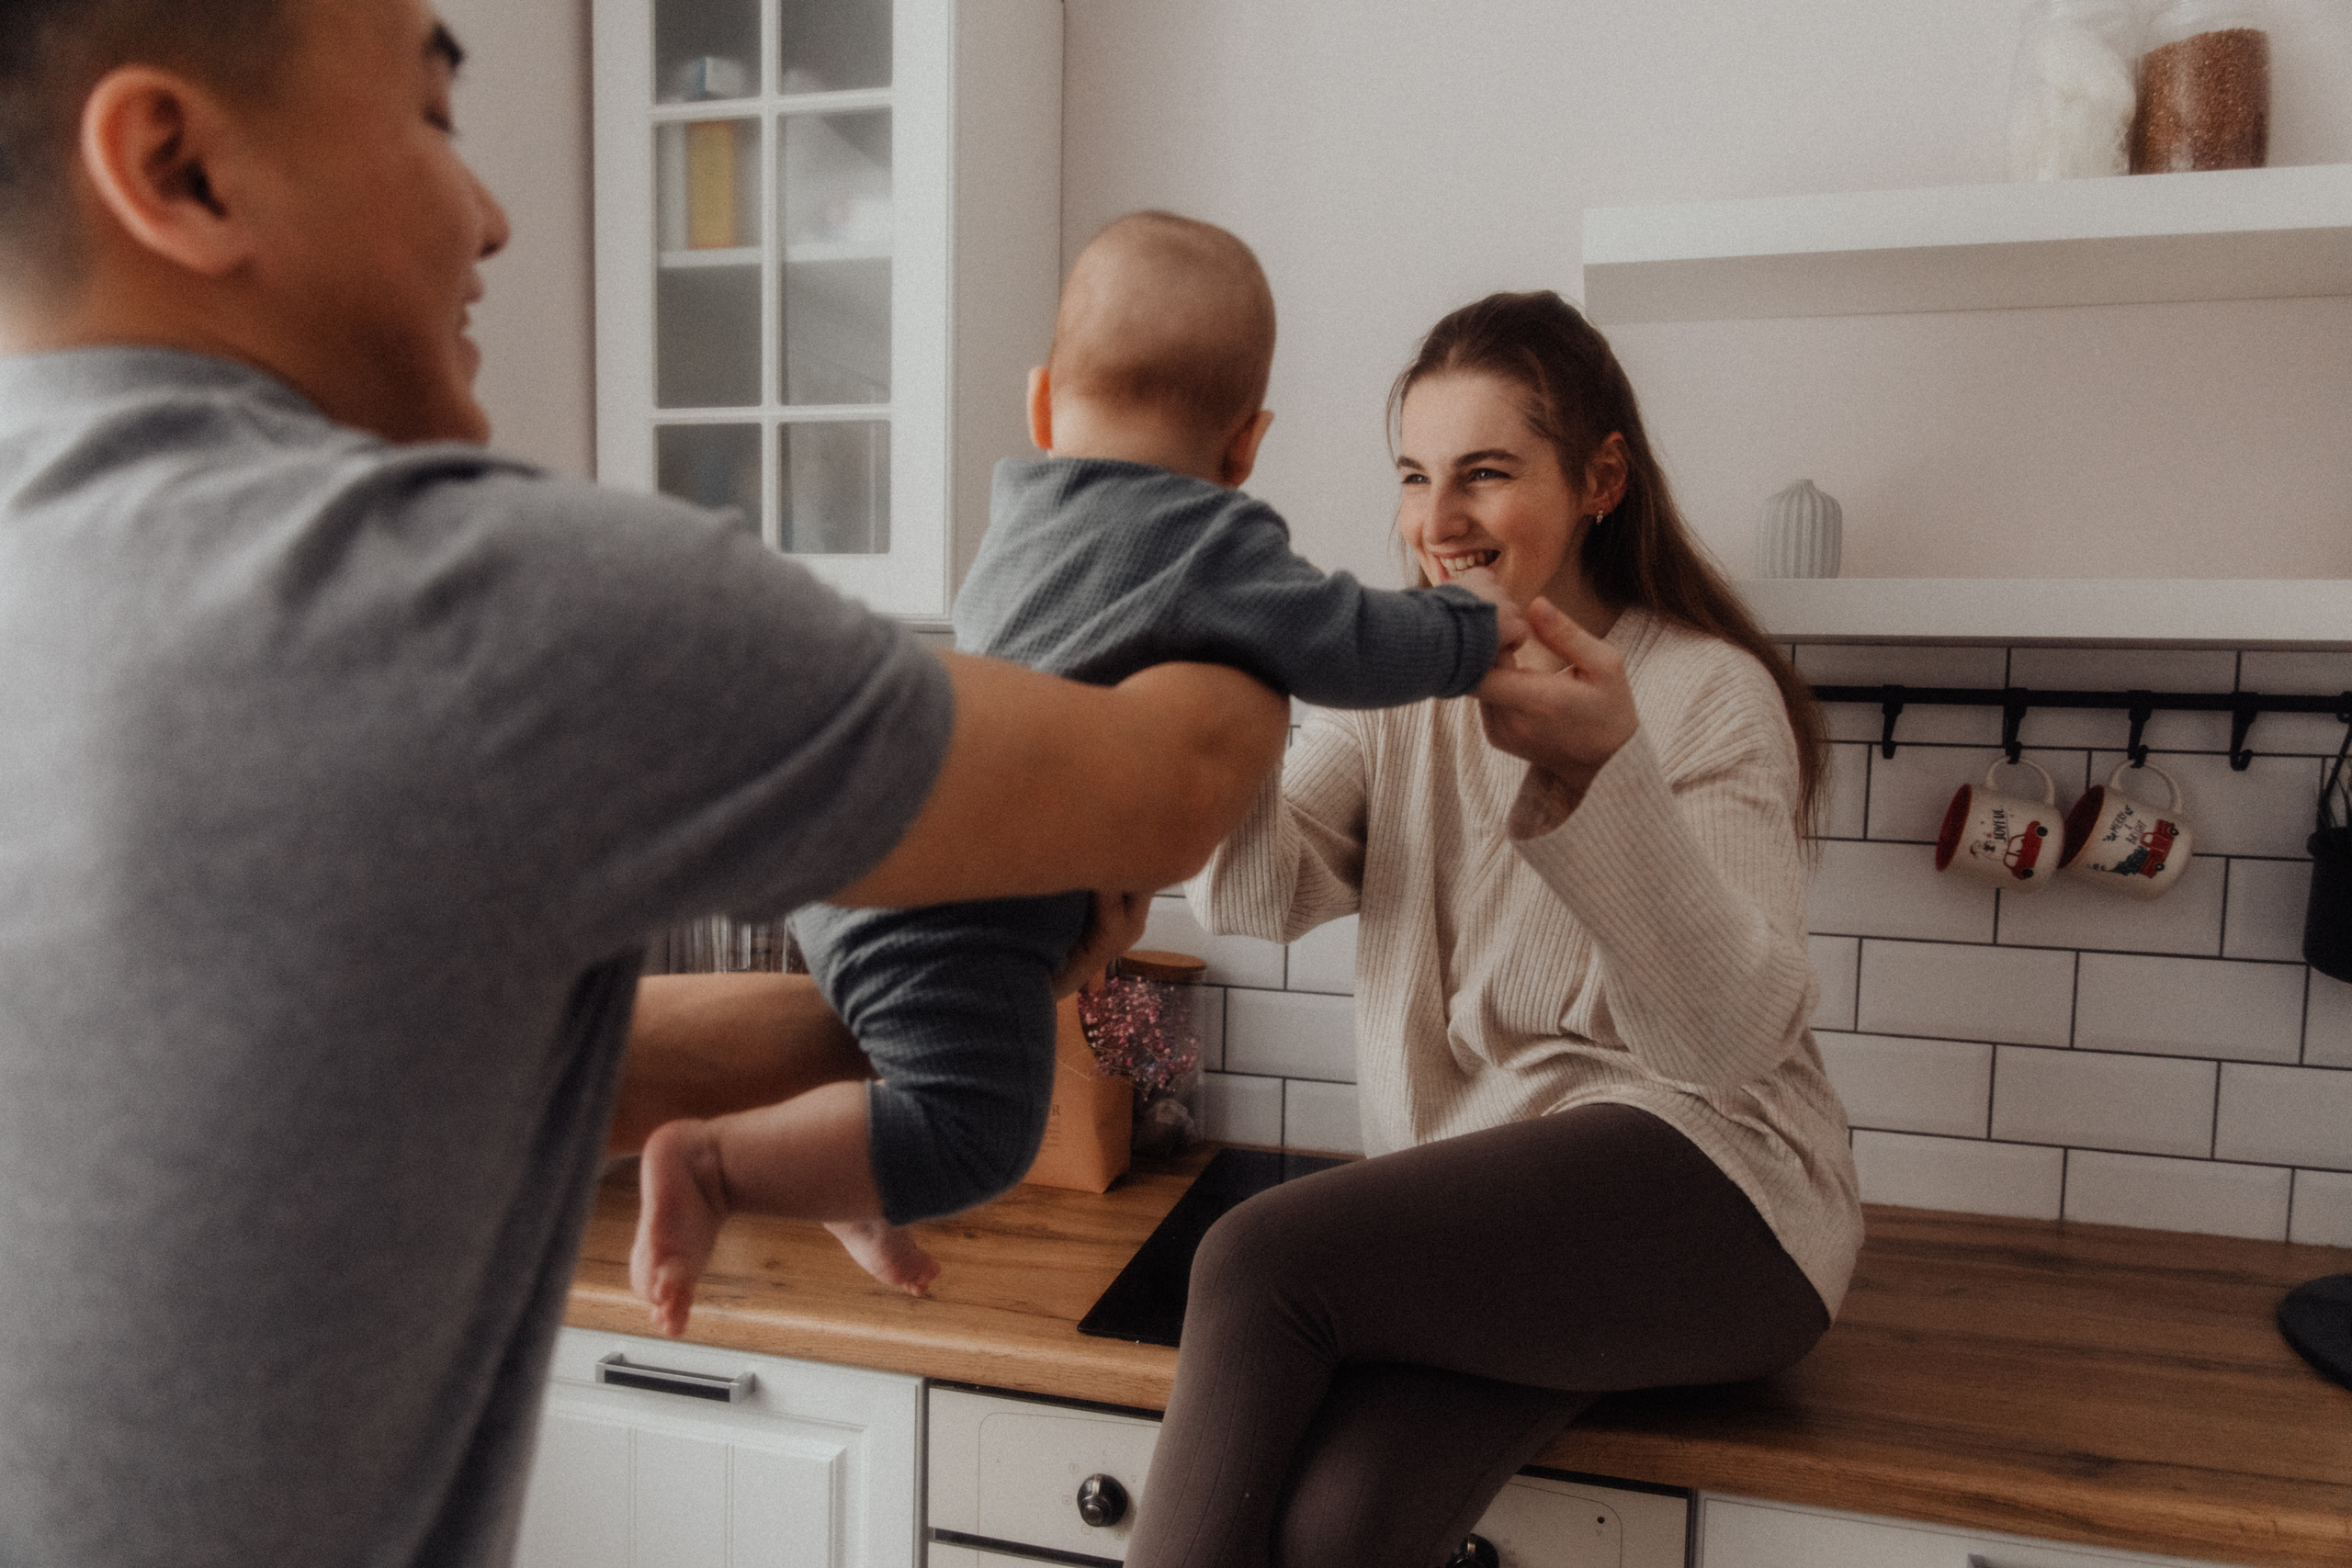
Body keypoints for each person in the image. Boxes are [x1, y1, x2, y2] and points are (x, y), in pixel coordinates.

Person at [0, 6, 1288, 1567]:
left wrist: (905, 1017)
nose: (495, 212)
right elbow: (1166, 786)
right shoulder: (478, 605)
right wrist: (1226, 565)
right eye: (432, 116)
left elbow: (397, 1074)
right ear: (177, 166)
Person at [631, 211, 1527, 1325]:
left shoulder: (1024, 514)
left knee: (903, 1089)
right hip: (961, 920)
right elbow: (1347, 636)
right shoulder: (1214, 542)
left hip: (856, 883)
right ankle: (719, 1169)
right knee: (979, 1131)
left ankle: (851, 1182)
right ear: (1245, 444)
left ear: (1044, 403)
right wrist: (1470, 631)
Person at [1122, 290, 1864, 1568]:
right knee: (1340, 1525)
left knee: (1256, 1257)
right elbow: (1257, 897)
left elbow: (1727, 1038)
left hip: (1725, 1202)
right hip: (1509, 1218)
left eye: (1484, 472)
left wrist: (1605, 773)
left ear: (1599, 479)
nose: (1436, 519)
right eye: (1415, 474)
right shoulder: (1397, 688)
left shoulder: (1703, 695)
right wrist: (1232, 686)